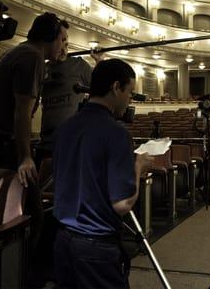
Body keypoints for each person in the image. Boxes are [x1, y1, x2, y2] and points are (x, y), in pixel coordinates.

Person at [0, 12, 67, 283]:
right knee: (34, 215)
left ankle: (6, 275)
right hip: (4, 147)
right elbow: (22, 112)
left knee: (5, 214)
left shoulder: (20, 52)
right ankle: (24, 278)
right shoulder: (32, 57)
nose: (64, 47)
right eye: (62, 40)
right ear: (49, 37)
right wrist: (25, 157)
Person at [52, 59, 153, 288]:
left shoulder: (64, 127)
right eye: (129, 92)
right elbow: (122, 204)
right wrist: (138, 165)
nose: (129, 99)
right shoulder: (117, 133)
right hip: (95, 247)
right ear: (116, 88)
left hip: (62, 242)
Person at [38, 35, 102, 157]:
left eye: (66, 45)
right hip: (46, 143)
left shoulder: (79, 65)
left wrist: (99, 62)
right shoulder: (43, 68)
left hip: (71, 143)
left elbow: (100, 88)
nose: (63, 49)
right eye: (60, 44)